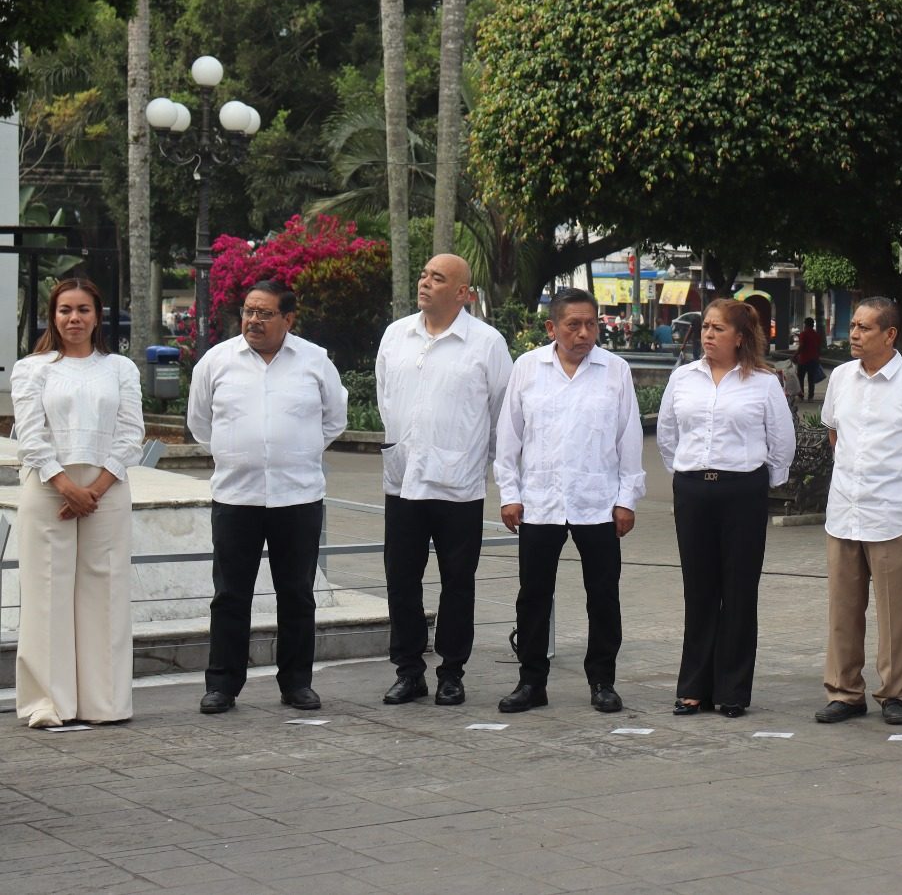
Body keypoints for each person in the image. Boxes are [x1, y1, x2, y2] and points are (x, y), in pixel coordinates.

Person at [189, 280, 348, 714]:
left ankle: (296, 683)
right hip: (236, 497)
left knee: (296, 594)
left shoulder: (315, 361)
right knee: (230, 595)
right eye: (248, 311)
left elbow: (334, 420)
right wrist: (239, 453)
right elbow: (200, 424)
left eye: (265, 313)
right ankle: (222, 685)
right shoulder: (216, 361)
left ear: (288, 319)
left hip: (297, 497)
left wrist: (294, 452)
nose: (253, 320)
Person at [494, 287, 645, 713]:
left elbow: (629, 438)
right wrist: (510, 494)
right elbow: (509, 436)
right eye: (573, 325)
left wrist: (627, 499)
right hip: (540, 502)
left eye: (590, 324)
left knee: (603, 596)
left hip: (597, 501)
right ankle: (531, 681)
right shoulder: (528, 368)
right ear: (552, 328)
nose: (583, 333)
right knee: (533, 596)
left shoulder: (614, 370)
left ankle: (602, 681)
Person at [375, 254, 512, 707]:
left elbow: (502, 413)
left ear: (462, 293)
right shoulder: (396, 335)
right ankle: (408, 670)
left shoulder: (486, 343)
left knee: (457, 582)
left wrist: (478, 461)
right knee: (401, 580)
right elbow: (385, 398)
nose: (425, 282)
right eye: (424, 275)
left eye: (437, 278)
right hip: (403, 481)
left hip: (459, 485)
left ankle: (452, 672)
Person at [11, 279, 144, 728]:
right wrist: (66, 486)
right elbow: (31, 436)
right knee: (47, 592)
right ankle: (48, 703)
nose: (74, 318)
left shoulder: (120, 368)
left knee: (105, 591)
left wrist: (97, 489)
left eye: (83, 309)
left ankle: (105, 702)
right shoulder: (33, 369)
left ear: (97, 315)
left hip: (108, 486)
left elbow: (131, 433)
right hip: (49, 484)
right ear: (53, 316)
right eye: (65, 310)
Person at [813, 298, 902, 726]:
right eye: (853, 325)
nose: (854, 334)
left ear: (890, 335)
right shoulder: (840, 378)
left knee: (894, 614)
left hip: (894, 518)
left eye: (865, 328)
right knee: (843, 612)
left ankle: (894, 694)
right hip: (844, 513)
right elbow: (835, 435)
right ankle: (844, 692)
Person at [658, 298, 796, 717]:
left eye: (718, 328)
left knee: (739, 591)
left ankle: (732, 690)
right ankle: (693, 688)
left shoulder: (763, 383)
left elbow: (781, 441)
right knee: (699, 590)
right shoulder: (683, 378)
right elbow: (667, 435)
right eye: (705, 327)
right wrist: (688, 475)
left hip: (742, 493)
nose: (708, 334)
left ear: (740, 337)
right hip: (693, 491)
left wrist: (761, 484)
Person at [794, 316, 824, 401]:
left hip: (803, 360)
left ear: (805, 324)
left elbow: (801, 346)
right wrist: (818, 357)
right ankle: (811, 397)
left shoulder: (803, 334)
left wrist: (795, 355)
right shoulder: (816, 335)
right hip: (813, 360)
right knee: (811, 379)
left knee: (800, 378)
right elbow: (818, 348)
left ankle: (801, 395)